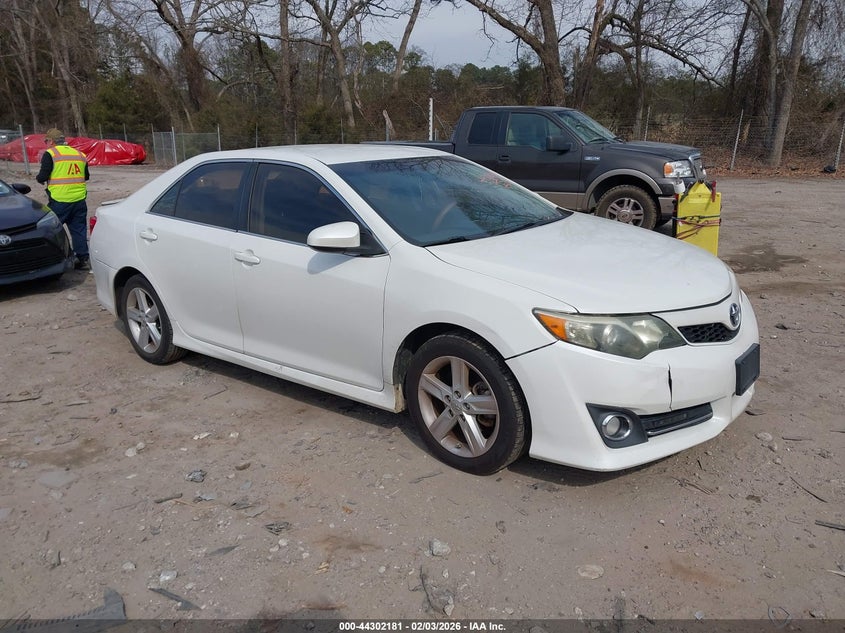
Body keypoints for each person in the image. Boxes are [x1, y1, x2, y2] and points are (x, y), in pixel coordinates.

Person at [36, 128, 91, 270]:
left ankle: (53, 259)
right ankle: (83, 259)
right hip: (79, 199)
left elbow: (42, 176)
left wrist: (40, 178)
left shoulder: (51, 154)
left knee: (52, 231)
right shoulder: (79, 154)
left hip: (60, 200)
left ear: (51, 141)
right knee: (79, 229)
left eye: (46, 141)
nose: (46, 144)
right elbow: (86, 176)